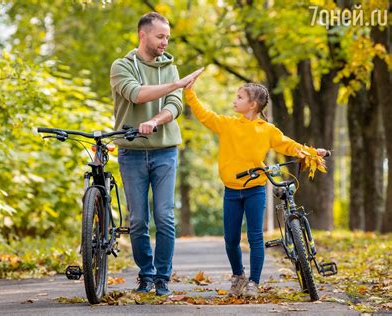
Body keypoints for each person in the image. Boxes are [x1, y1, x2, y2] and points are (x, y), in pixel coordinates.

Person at [183, 73, 328, 298]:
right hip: (231, 190)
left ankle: (254, 282)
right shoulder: (227, 124)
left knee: (255, 238)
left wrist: (311, 152)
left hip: (256, 190)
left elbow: (288, 146)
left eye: (239, 97)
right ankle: (238, 275)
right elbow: (205, 116)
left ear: (253, 104)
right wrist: (190, 93)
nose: (235, 100)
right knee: (230, 239)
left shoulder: (267, 129)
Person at [110, 12, 203, 296]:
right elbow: (136, 94)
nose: (165, 42)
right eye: (160, 36)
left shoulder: (170, 67)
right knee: (138, 220)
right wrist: (177, 84)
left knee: (164, 216)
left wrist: (156, 120)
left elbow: (175, 106)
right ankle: (145, 275)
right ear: (143, 35)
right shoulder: (121, 66)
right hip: (132, 152)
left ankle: (162, 277)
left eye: (167, 37)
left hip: (165, 152)